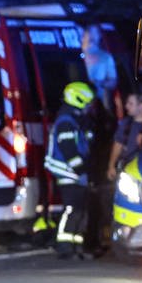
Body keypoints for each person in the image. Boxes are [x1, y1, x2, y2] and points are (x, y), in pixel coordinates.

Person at [46, 81, 96, 259]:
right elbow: (69, 150)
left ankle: (76, 247)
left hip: (75, 173)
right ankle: (64, 247)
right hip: (69, 174)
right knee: (72, 209)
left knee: (81, 211)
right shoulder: (66, 121)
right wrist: (81, 170)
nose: (90, 107)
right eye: (88, 103)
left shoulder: (75, 120)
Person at [107, 91, 142, 182]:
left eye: (131, 103)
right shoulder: (126, 124)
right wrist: (111, 166)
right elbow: (117, 145)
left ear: (141, 106)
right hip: (128, 171)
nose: (126, 106)